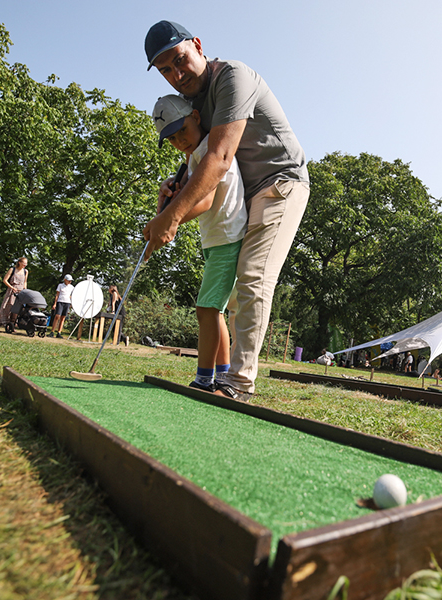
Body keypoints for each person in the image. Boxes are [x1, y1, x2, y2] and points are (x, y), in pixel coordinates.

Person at [144, 21, 310, 401]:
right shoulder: (194, 103)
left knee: (253, 278)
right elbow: (197, 154)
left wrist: (170, 218)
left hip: (281, 184)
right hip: (249, 196)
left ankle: (237, 384)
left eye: (180, 60)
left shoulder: (233, 77)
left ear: (198, 46)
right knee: (233, 299)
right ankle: (222, 376)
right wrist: (176, 181)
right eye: (165, 70)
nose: (176, 74)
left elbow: (218, 158)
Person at [152, 94, 247, 393]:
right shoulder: (195, 155)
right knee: (213, 310)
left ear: (196, 116)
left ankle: (204, 380)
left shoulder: (209, 150)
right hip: (219, 240)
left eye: (183, 130)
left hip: (227, 238)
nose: (179, 140)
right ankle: (221, 373)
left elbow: (204, 201)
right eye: (171, 138)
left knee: (206, 309)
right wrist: (167, 191)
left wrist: (170, 219)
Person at [0, 257, 29, 326]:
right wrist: (12, 287)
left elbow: (25, 282)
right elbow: (5, 280)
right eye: (24, 263)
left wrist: (25, 290)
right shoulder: (12, 270)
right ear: (19, 262)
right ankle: (4, 322)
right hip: (12, 290)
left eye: (26, 264)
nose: (25, 265)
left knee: (17, 308)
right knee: (8, 306)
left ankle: (13, 323)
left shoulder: (25, 271)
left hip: (21, 291)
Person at [50, 274, 74, 339]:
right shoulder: (60, 285)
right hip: (60, 301)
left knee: (63, 317)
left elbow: (72, 296)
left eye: (70, 281)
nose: (70, 282)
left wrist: (71, 304)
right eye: (68, 280)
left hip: (67, 302)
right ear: (65, 280)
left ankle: (59, 332)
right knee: (57, 316)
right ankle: (52, 331)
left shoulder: (72, 287)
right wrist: (55, 303)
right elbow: (57, 295)